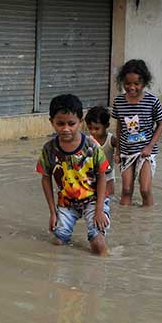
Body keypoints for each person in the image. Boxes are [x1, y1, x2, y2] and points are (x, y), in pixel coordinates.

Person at [37, 94, 111, 256]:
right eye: (60, 124)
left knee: (98, 244)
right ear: (52, 122)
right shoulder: (49, 149)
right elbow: (45, 178)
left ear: (80, 121)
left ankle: (103, 272)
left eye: (71, 124)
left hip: (93, 200)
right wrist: (52, 212)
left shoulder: (92, 146)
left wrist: (99, 209)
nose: (65, 129)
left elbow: (102, 176)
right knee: (58, 243)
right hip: (67, 202)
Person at [112, 59, 162, 207]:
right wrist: (118, 151)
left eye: (136, 84)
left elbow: (160, 125)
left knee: (145, 190)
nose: (131, 87)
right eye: (127, 83)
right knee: (127, 189)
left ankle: (146, 222)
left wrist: (149, 147)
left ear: (144, 83)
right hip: (126, 152)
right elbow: (120, 126)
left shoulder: (152, 101)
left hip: (145, 152)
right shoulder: (119, 102)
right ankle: (125, 222)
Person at [85, 105, 116, 198]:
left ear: (107, 126)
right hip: (93, 175)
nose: (93, 132)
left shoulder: (112, 139)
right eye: (90, 128)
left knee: (109, 197)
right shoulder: (88, 141)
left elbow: (122, 149)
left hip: (108, 174)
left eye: (96, 128)